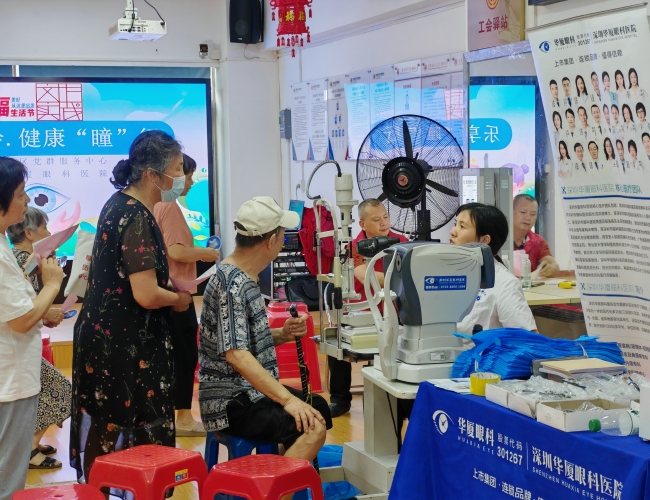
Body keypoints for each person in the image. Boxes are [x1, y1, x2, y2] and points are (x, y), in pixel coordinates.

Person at [70, 131, 193, 485]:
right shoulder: (136, 216)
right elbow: (146, 294)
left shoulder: (117, 203)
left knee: (107, 427)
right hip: (125, 346)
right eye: (177, 169)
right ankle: (134, 488)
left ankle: (103, 487)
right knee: (130, 427)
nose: (182, 177)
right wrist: (178, 299)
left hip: (105, 338)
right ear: (153, 175)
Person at [199, 196, 332, 471]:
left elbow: (240, 340)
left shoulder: (242, 276)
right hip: (231, 402)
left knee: (317, 406)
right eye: (282, 235)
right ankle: (272, 487)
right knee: (313, 425)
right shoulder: (232, 284)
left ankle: (269, 474)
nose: (283, 241)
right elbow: (236, 355)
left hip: (245, 393)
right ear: (271, 241)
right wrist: (288, 401)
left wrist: (282, 334)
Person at [0, 157, 64, 500]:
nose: (26, 200)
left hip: (11, 376)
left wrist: (42, 311)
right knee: (8, 478)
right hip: (9, 380)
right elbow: (21, 318)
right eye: (21, 193)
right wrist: (52, 285)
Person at [153, 154, 220, 437]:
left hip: (165, 292)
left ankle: (171, 415)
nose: (191, 182)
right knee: (184, 355)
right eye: (188, 175)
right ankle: (181, 417)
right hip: (176, 294)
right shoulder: (168, 206)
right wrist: (207, 254)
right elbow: (176, 251)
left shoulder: (156, 205)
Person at [328, 199, 408, 418]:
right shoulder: (353, 247)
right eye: (376, 219)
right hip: (360, 312)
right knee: (336, 341)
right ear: (362, 224)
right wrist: (399, 278)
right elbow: (365, 276)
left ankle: (398, 402)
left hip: (394, 313)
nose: (384, 223)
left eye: (386, 217)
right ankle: (339, 400)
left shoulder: (402, 243)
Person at [7, 207, 71, 470]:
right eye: (45, 228)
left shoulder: (17, 257)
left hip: (21, 345)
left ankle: (28, 444)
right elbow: (24, 310)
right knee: (61, 391)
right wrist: (46, 309)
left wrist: (44, 316)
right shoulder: (26, 260)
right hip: (19, 348)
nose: (50, 233)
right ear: (29, 233)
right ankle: (30, 449)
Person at [449, 203, 537, 335]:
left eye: (462, 227)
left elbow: (527, 339)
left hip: (478, 349)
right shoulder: (447, 272)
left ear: (484, 240)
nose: (453, 232)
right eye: (455, 224)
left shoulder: (505, 283)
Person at [512, 194, 560, 277]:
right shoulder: (499, 238)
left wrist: (550, 269)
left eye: (533, 214)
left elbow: (554, 266)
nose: (528, 218)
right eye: (523, 212)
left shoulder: (538, 241)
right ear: (510, 212)